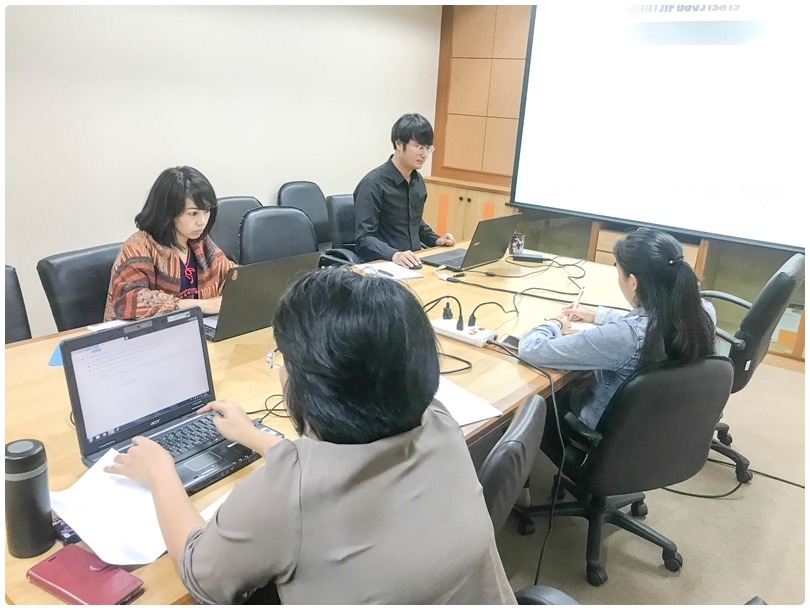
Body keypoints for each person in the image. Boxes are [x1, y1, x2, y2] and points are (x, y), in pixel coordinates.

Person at [104, 267, 516, 605]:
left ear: (317, 387)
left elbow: (200, 574)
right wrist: (256, 437)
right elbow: (345, 471)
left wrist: (160, 472)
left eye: (284, 359)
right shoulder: (438, 418)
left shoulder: (287, 494)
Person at [518, 228, 716, 430]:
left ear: (633, 282)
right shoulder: (703, 311)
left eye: (618, 272)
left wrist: (555, 323)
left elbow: (531, 349)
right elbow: (648, 323)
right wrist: (597, 314)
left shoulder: (626, 337)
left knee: (545, 398)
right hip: (666, 427)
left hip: (605, 433)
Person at [104, 166, 235, 321]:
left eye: (206, 211)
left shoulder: (201, 243)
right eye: (193, 213)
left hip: (195, 328)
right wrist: (194, 305)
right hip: (150, 334)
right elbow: (128, 300)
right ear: (168, 212)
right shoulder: (139, 247)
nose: (202, 221)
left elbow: (231, 274)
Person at [354, 113, 455, 267]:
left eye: (428, 148)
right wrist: (394, 254)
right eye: (419, 147)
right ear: (399, 144)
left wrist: (436, 240)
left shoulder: (417, 181)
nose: (424, 154)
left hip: (414, 262)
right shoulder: (372, 184)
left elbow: (415, 223)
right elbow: (364, 239)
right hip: (382, 265)